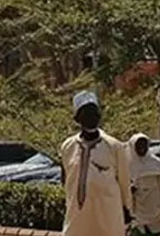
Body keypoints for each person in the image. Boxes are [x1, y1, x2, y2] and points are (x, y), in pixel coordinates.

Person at [59, 91, 132, 236]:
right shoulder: (67, 147)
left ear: (99, 116)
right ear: (77, 118)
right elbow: (66, 180)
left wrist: (127, 209)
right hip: (76, 217)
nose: (91, 116)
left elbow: (124, 182)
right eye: (86, 113)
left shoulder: (114, 146)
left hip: (107, 217)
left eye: (93, 112)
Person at [127, 134, 160, 236]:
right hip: (137, 209)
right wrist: (129, 190)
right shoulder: (127, 165)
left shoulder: (155, 162)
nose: (142, 148)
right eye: (138, 145)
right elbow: (121, 186)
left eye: (144, 145)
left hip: (156, 206)